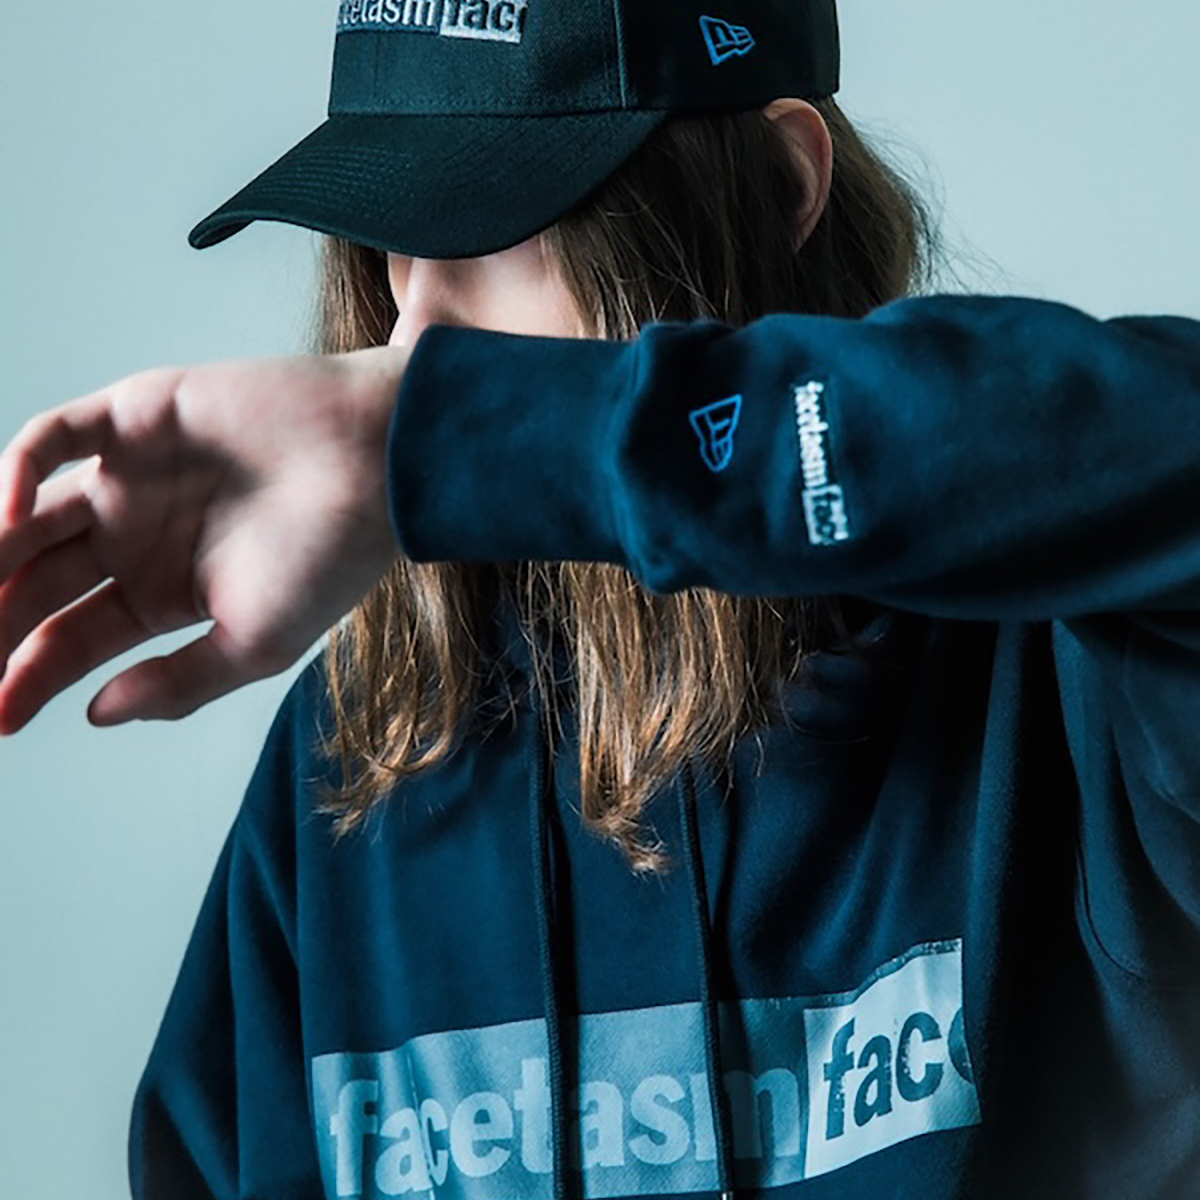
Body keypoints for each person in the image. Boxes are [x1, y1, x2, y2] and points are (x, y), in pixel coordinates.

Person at [1, 1, 1198, 1197]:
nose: (413, 331)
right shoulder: (355, 759)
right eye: (387, 245)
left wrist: (458, 440)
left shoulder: (1074, 682)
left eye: (495, 226)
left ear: (781, 184)